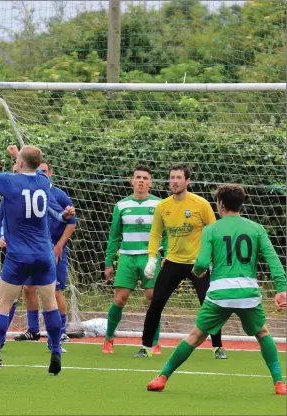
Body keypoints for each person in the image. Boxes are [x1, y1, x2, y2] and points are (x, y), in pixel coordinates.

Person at [147, 184, 286, 395]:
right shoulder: (256, 228)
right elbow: (274, 260)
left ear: (220, 204)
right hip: (247, 295)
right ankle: (279, 383)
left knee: (195, 336)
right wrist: (282, 288)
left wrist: (197, 270)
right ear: (241, 204)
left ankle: (162, 377)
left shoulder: (211, 229)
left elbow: (202, 263)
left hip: (220, 295)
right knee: (262, 333)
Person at [0, 145, 62, 376]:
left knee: (4, 304)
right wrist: (19, 156)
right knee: (49, 304)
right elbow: (34, 168)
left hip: (18, 255)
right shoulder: (43, 181)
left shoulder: (9, 181)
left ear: (19, 164)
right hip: (43, 254)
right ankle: (56, 351)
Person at [136, 164, 225, 358]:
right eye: (172, 178)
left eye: (178, 178)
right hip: (172, 262)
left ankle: (218, 347)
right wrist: (152, 258)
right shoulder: (163, 206)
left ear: (187, 181)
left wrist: (212, 260)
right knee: (156, 302)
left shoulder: (200, 204)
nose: (174, 181)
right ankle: (146, 347)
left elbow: (214, 233)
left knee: (208, 303)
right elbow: (155, 233)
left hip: (197, 264)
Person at [11, 160, 76, 354]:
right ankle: (33, 331)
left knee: (55, 291)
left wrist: (58, 246)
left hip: (53, 250)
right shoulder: (26, 192)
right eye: (39, 171)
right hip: (32, 250)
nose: (42, 174)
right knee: (28, 288)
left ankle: (61, 332)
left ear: (51, 173)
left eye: (45, 171)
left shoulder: (59, 195)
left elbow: (71, 222)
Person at [102, 165, 163, 354]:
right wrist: (108, 262)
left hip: (151, 257)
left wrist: (166, 255)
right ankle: (108, 339)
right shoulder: (121, 206)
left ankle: (154, 342)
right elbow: (114, 237)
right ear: (132, 181)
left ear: (150, 183)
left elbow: (166, 233)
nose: (142, 181)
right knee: (120, 299)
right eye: (138, 177)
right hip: (127, 257)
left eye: (145, 178)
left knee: (153, 299)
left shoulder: (160, 204)